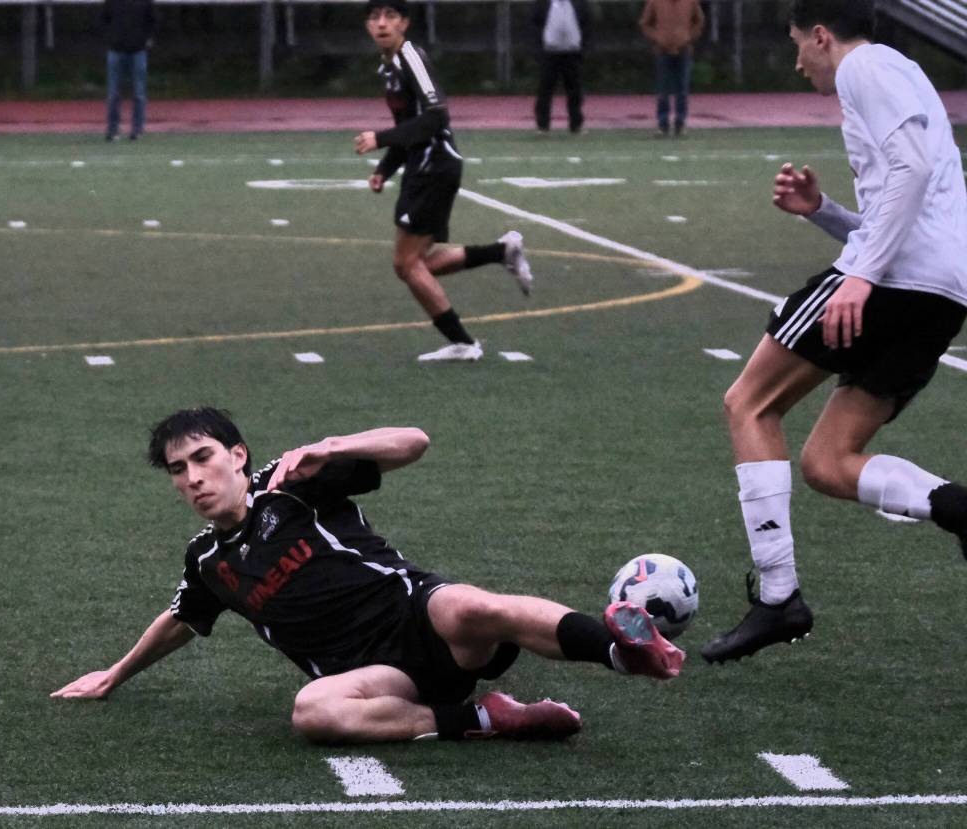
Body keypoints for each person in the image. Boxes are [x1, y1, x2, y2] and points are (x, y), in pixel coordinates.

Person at [52, 408, 684, 743]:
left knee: (468, 606)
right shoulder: (208, 562)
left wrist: (335, 446)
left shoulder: (292, 482)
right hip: (376, 679)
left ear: (236, 455)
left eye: (203, 457)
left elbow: (416, 441)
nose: (192, 477)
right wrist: (114, 673)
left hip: (417, 612)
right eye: (176, 469)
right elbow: (182, 620)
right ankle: (490, 721)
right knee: (312, 713)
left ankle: (623, 651)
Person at [702, 0, 967, 664]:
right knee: (827, 463)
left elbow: (910, 173)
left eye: (799, 45)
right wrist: (823, 213)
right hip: (941, 294)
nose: (798, 61)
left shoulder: (862, 68)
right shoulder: (902, 71)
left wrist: (860, 276)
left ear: (822, 35)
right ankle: (959, 507)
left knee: (748, 403)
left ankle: (778, 596)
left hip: (893, 281)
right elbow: (906, 206)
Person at [354, 0, 534, 363]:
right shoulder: (388, 67)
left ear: (404, 22)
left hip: (433, 166)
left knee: (407, 265)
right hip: (425, 165)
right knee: (418, 263)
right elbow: (411, 125)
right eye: (375, 17)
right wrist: (385, 169)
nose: (382, 23)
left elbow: (436, 116)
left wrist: (381, 139)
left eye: (390, 16)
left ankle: (464, 343)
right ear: (367, 25)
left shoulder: (410, 57)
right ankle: (503, 252)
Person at [639, 0, 704, 138]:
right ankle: (663, 125)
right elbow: (645, 23)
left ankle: (680, 124)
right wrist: (657, 37)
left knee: (682, 89)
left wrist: (688, 36)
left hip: (684, 50)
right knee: (663, 89)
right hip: (662, 51)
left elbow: (699, 20)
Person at [531, 0, 591, 135]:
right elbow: (534, 23)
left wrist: (583, 46)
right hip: (549, 52)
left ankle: (576, 125)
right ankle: (542, 126)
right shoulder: (542, 3)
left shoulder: (580, 3)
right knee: (545, 89)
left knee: (575, 90)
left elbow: (587, 24)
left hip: (572, 51)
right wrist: (539, 46)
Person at [101, 0, 155, 141]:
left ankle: (137, 129)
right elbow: (104, 19)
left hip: (138, 50)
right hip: (116, 49)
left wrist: (147, 39)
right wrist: (110, 38)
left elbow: (151, 20)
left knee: (139, 93)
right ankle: (113, 129)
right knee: (113, 93)